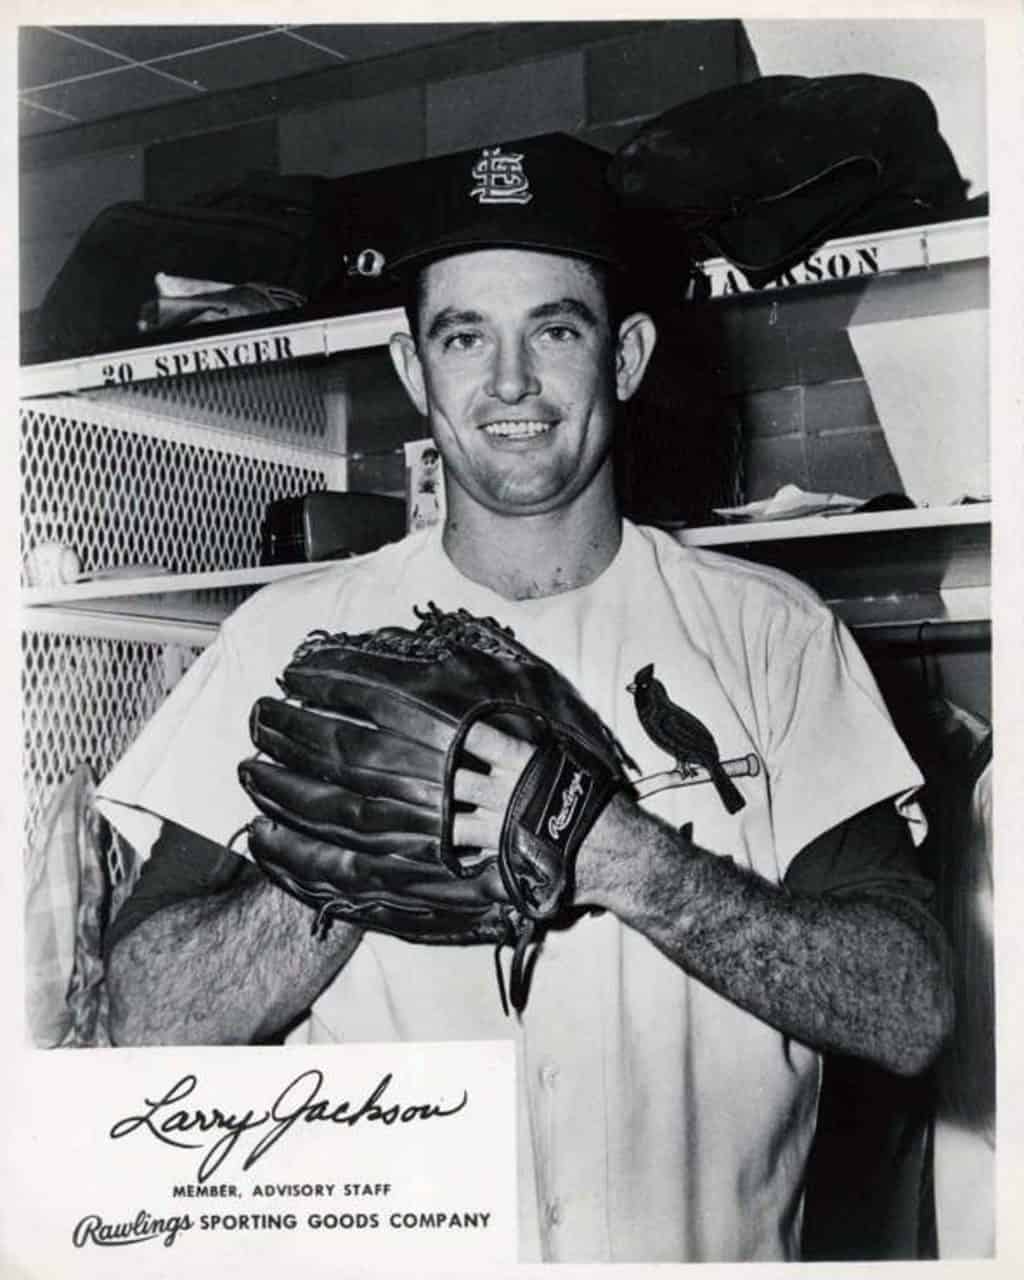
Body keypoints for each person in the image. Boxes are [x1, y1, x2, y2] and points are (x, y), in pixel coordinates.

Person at [100, 133, 952, 1264]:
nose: (508, 383)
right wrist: (353, 862)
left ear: (628, 356)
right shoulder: (280, 638)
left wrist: (622, 857)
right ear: (413, 370)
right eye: (464, 336)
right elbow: (142, 1021)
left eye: (555, 328)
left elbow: (907, 1011)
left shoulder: (772, 631)